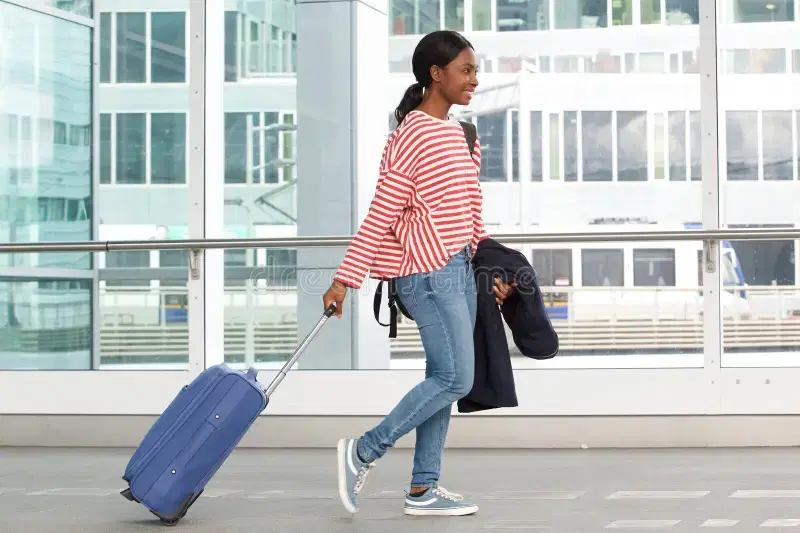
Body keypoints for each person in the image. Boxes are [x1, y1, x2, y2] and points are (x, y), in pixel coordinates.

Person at [322, 30, 515, 517]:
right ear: (436, 74)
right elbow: (382, 210)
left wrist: (484, 265)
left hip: (457, 269)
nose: (474, 79)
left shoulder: (463, 133)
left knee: (442, 376)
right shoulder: (411, 133)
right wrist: (346, 279)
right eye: (465, 70)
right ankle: (364, 450)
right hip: (425, 272)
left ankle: (422, 489)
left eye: (475, 70)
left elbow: (473, 211)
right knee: (455, 378)